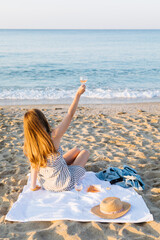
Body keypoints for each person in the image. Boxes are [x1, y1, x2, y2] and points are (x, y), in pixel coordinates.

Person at [23, 84, 89, 192]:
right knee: (85, 152)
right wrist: (78, 94)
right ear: (42, 120)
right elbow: (70, 114)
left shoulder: (31, 145)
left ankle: (66, 167)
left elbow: (34, 167)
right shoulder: (53, 136)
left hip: (47, 184)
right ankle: (70, 169)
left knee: (76, 151)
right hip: (65, 183)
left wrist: (33, 186)